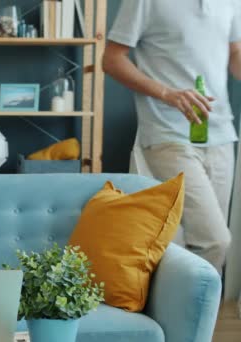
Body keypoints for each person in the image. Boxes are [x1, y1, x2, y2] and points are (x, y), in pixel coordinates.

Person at [103, 0, 241, 274]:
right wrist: (167, 93)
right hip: (169, 133)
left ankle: (184, 314)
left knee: (193, 244)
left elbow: (235, 51)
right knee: (215, 241)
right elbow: (112, 59)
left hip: (221, 135)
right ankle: (185, 315)